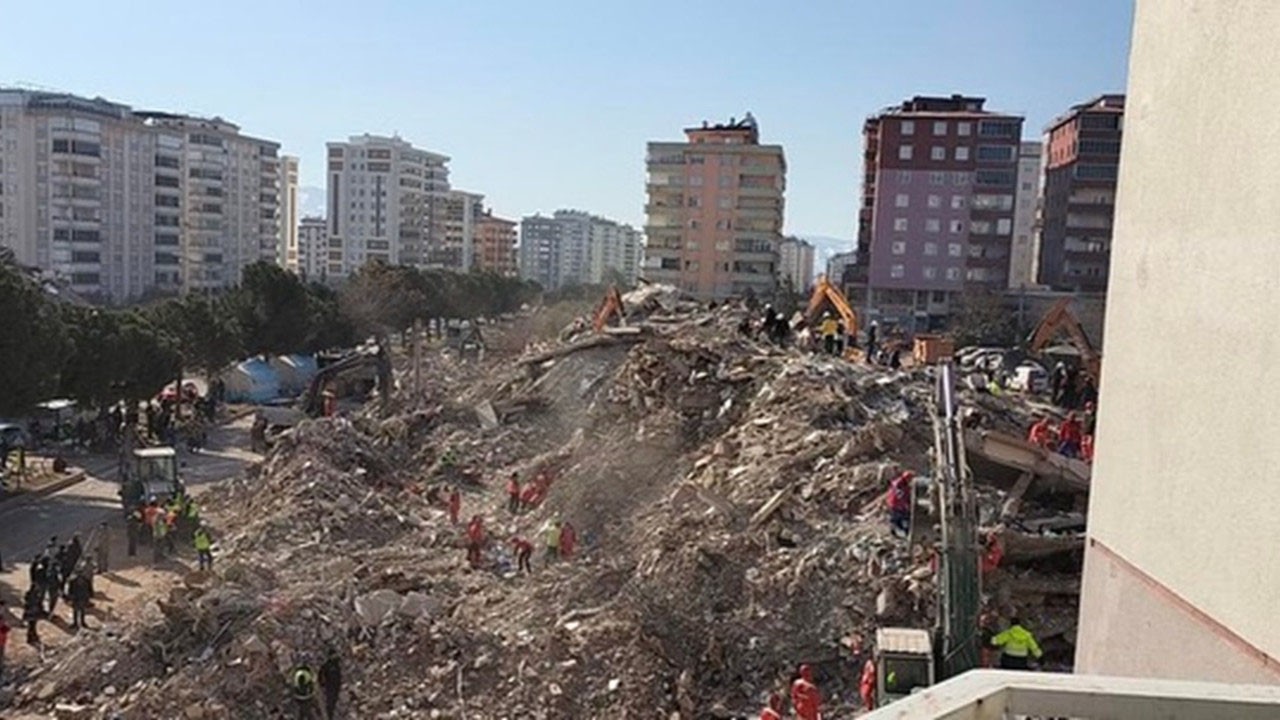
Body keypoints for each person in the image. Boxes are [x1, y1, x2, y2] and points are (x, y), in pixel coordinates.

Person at [886, 471, 913, 537]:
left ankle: (901, 530)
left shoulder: (900, 483)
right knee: (900, 518)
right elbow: (900, 496)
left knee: (899, 518)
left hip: (894, 503)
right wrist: (906, 504)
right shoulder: (900, 485)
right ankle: (899, 531)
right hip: (896, 504)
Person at [318, 646, 342, 720]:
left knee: (333, 701)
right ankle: (329, 715)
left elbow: (339, 675)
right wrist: (322, 683)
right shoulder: (327, 665)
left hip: (335, 685)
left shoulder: (336, 664)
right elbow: (321, 674)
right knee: (330, 701)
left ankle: (330, 714)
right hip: (330, 685)